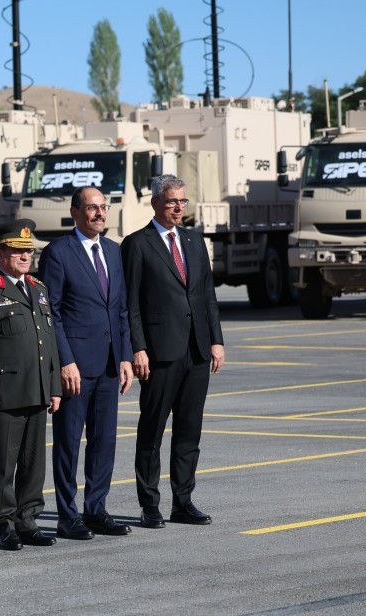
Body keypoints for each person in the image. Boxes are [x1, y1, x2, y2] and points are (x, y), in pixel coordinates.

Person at [121, 174, 225, 528]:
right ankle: (150, 503)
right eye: (171, 202)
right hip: (159, 351)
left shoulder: (195, 241)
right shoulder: (137, 244)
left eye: (182, 201)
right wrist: (138, 347)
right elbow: (130, 302)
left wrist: (216, 340)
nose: (178, 207)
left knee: (188, 429)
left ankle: (183, 501)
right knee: (151, 429)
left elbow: (207, 295)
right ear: (155, 203)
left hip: (196, 349)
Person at [37, 187, 135, 540]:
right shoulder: (58, 253)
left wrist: (125, 355)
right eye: (92, 208)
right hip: (76, 367)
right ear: (75, 212)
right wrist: (65, 361)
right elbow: (52, 313)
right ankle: (68, 515)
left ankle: (97, 509)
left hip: (109, 364)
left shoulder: (112, 251)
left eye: (103, 207)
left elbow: (120, 309)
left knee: (103, 441)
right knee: (68, 442)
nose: (99, 213)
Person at [0, 219, 62, 551]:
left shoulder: (38, 289)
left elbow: (48, 342)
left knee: (32, 463)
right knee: (2, 465)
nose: (26, 256)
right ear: (0, 254)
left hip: (37, 390)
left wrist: (54, 386)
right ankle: (2, 523)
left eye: (28, 251)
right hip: (5, 394)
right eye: (18, 251)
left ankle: (28, 520)